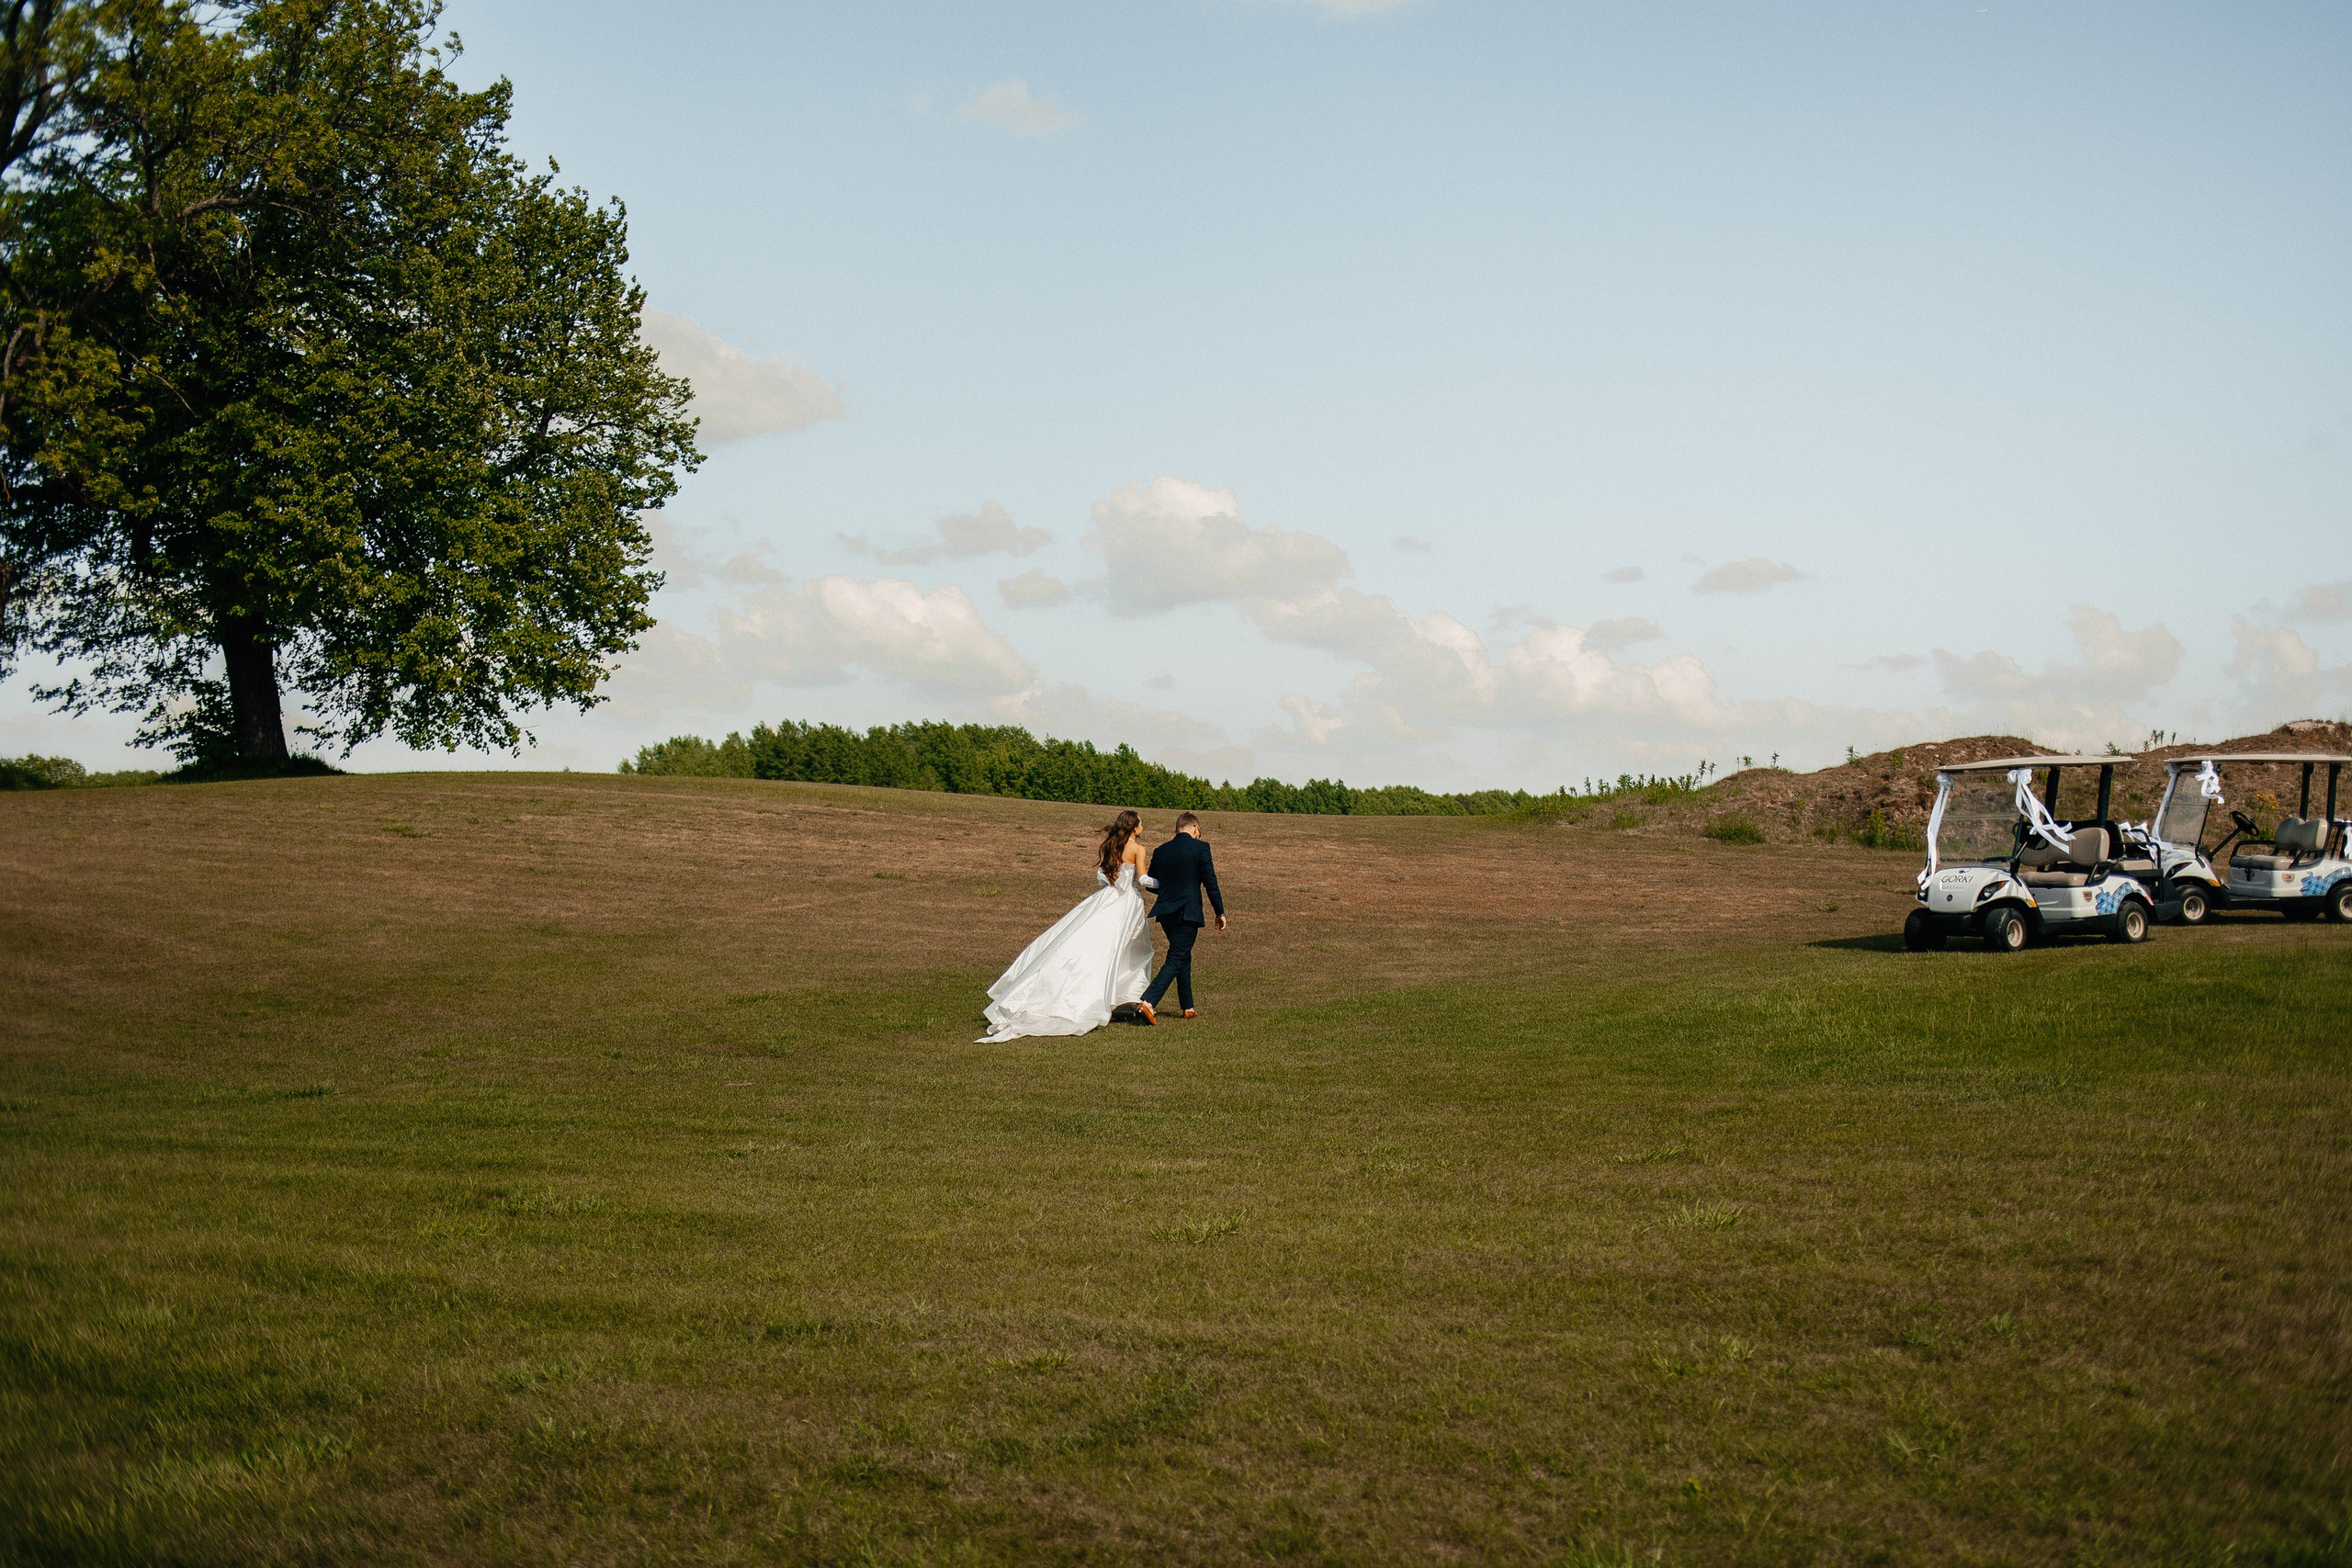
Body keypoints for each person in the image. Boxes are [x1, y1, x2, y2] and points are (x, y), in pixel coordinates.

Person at [976, 810, 1158, 1042]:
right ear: (1134, 827)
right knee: (1126, 949)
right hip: (1126, 903)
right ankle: (1118, 995)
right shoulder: (1138, 850)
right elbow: (1142, 879)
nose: (1143, 827)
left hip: (1106, 899)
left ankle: (1114, 995)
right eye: (1141, 823)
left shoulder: (1112, 845)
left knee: (1099, 945)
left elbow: (1101, 877)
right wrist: (1168, 885)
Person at [1138, 811, 1226, 1022]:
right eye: (1199, 832)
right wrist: (1219, 911)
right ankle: (1148, 1002)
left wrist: (1169, 893)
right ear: (1194, 828)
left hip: (1165, 912)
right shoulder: (1201, 848)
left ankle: (1188, 1006)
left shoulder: (1161, 851)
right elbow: (1210, 881)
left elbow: (1153, 883)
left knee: (1182, 954)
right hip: (1188, 911)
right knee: (1177, 956)